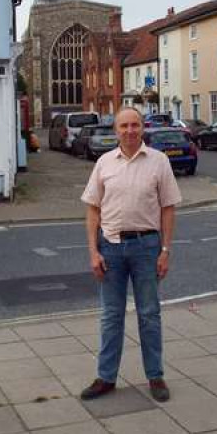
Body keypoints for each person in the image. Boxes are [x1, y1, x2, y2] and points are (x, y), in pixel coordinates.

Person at [79, 106, 181, 403]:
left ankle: (155, 376)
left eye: (135, 125)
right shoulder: (104, 163)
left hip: (147, 247)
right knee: (111, 316)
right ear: (116, 130)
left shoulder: (159, 162)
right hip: (110, 247)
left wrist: (165, 250)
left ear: (142, 127)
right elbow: (92, 209)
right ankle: (106, 377)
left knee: (149, 314)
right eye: (124, 126)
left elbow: (168, 208)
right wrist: (93, 252)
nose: (130, 130)